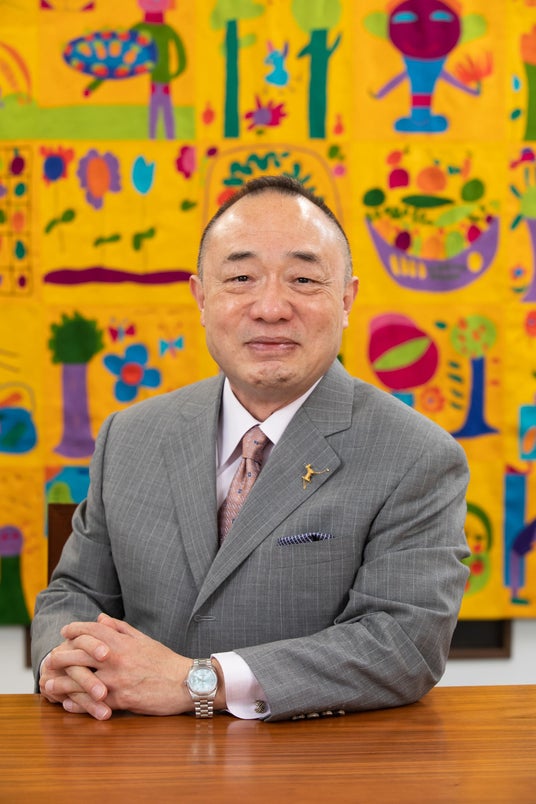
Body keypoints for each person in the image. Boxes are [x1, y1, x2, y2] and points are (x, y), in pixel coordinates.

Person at [31, 175, 470, 722]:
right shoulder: (131, 435)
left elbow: (403, 645)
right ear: (201, 298)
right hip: (132, 752)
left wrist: (197, 682)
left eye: (303, 279)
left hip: (315, 757)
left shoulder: (417, 455)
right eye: (240, 277)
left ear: (346, 299)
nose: (270, 307)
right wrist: (65, 663)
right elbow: (74, 593)